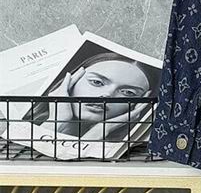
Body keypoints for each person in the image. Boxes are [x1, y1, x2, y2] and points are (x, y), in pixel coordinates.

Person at [25, 51, 156, 141]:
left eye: (128, 92)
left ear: (138, 104)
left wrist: (102, 129)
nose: (107, 95)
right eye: (97, 82)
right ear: (71, 81)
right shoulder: (23, 125)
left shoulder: (130, 148)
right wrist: (56, 121)